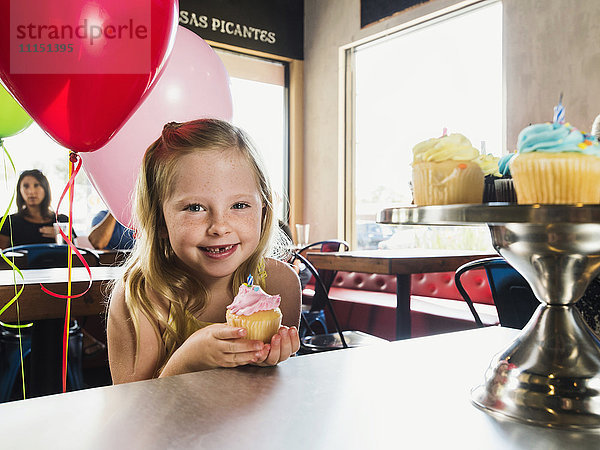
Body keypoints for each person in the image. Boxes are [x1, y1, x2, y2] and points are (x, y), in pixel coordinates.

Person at [107, 119, 301, 383]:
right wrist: (188, 360)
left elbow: (273, 391)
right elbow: (131, 412)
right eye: (195, 207)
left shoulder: (282, 284)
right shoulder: (142, 295)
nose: (219, 227)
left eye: (240, 205)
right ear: (160, 221)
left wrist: (270, 362)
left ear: (264, 209)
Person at [0, 169, 74, 249]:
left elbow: (77, 256)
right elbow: (2, 258)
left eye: (36, 185)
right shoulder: (8, 223)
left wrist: (62, 236)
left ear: (45, 189)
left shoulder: (62, 221)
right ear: (19, 190)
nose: (31, 191)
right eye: (26, 186)